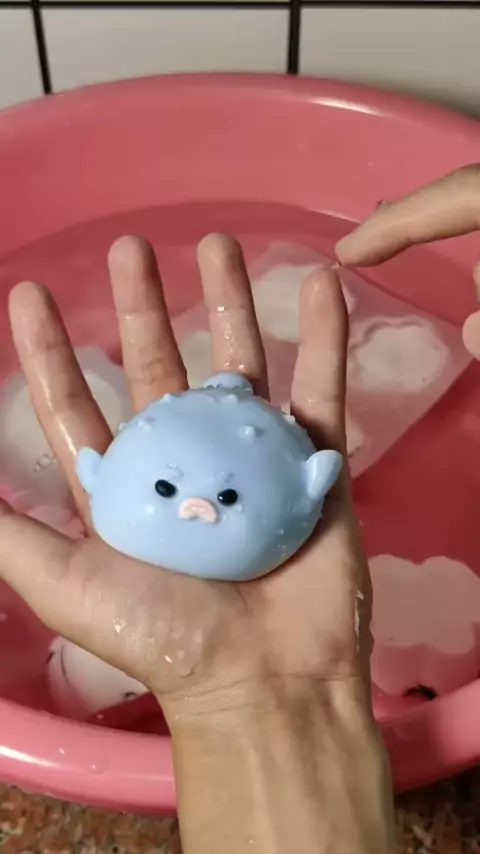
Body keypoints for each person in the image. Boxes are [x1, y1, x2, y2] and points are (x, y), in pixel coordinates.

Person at [1, 162, 477, 852]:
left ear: (316, 480)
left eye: (218, 497)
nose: (196, 507)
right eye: (171, 492)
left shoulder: (295, 480)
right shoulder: (174, 482)